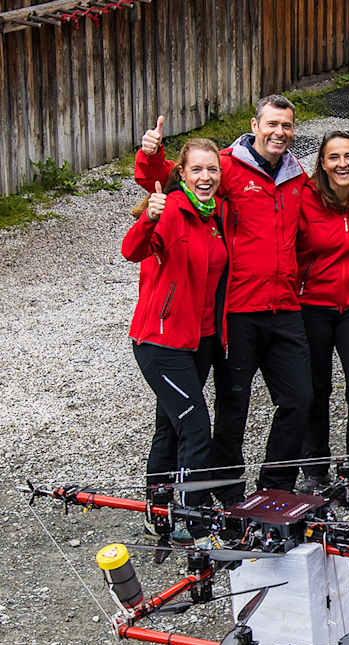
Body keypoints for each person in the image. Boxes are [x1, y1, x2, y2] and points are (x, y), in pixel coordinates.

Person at [137, 96, 313, 502]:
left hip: (284, 306)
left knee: (300, 399)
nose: (279, 132)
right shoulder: (228, 165)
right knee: (234, 406)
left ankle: (276, 488)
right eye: (272, 124)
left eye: (287, 125)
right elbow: (170, 178)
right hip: (237, 311)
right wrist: (151, 155)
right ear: (255, 124)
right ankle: (228, 491)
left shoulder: (295, 173)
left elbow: (307, 225)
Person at [123, 138, 228, 541]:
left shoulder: (215, 216)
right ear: (181, 174)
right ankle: (193, 516)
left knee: (169, 424)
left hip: (199, 341)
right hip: (160, 342)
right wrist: (149, 217)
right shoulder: (169, 209)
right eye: (197, 169)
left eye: (212, 169)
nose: (205, 177)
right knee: (196, 426)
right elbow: (130, 251)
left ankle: (158, 509)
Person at [295, 131, 349, 505]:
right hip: (313, 305)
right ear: (322, 163)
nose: (342, 164)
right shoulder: (306, 198)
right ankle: (315, 471)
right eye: (334, 157)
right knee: (316, 391)